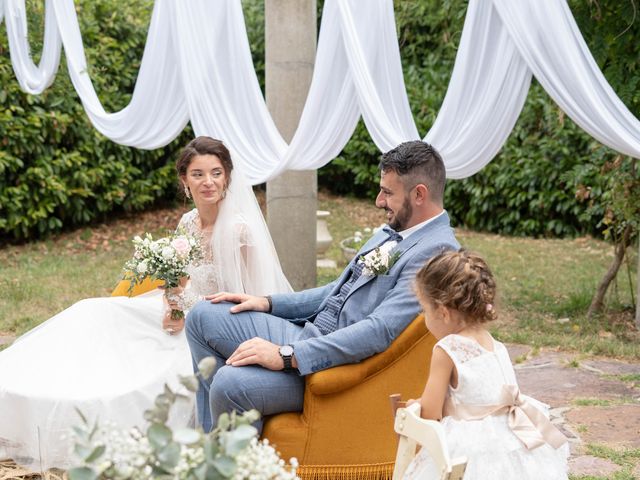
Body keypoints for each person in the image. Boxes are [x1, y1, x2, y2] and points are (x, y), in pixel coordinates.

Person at [0, 136, 292, 470]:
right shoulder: (187, 222)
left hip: (214, 327)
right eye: (198, 174)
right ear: (184, 181)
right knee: (93, 311)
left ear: (227, 177)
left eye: (215, 173)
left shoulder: (240, 231)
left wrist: (194, 314)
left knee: (143, 375)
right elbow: (178, 280)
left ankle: (104, 421)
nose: (207, 182)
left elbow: (254, 298)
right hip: (175, 312)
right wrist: (173, 304)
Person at [185, 140, 460, 432]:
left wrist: (286, 355)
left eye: (388, 192)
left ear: (419, 194)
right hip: (309, 332)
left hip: (333, 366)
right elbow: (337, 291)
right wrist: (268, 302)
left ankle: (231, 464)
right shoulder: (393, 232)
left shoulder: (435, 251)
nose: (379, 201)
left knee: (229, 382)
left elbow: (379, 331)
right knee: (202, 316)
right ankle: (210, 441)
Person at [402, 250, 569, 479]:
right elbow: (477, 399)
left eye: (425, 309)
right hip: (509, 440)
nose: (424, 317)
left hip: (472, 449)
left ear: (442, 312)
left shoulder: (447, 349)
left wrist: (415, 407)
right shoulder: (494, 345)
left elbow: (431, 414)